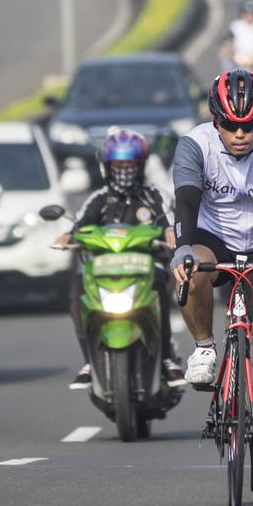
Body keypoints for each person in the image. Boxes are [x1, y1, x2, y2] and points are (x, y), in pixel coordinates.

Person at [170, 69, 253, 484]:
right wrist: (183, 247)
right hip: (214, 238)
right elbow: (186, 201)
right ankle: (204, 347)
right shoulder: (195, 143)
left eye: (250, 125)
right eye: (231, 125)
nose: (241, 134)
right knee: (192, 269)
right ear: (216, 120)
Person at [58, 129, 186, 390]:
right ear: (107, 167)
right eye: (118, 165)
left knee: (159, 287)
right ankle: (88, 361)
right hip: (105, 268)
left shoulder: (155, 195)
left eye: (130, 165)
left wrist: (171, 233)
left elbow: (170, 221)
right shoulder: (99, 198)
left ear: (141, 166)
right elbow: (80, 224)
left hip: (147, 266)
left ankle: (167, 358)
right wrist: (67, 237)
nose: (124, 171)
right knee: (79, 289)